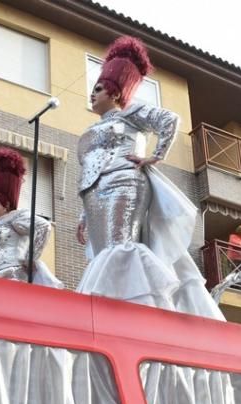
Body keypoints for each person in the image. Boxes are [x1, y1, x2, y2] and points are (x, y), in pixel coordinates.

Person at [75, 36, 223, 321]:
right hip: (95, 195)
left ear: (116, 93)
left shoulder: (129, 113)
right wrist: (83, 215)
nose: (92, 95)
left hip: (123, 185)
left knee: (120, 248)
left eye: (98, 88)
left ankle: (141, 315)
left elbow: (169, 120)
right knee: (103, 254)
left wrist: (155, 155)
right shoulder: (94, 129)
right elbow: (89, 172)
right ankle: (111, 313)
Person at [0, 147, 63, 288]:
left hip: (11, 281)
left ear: (6, 203)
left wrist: (29, 258)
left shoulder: (15, 217)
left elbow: (43, 226)